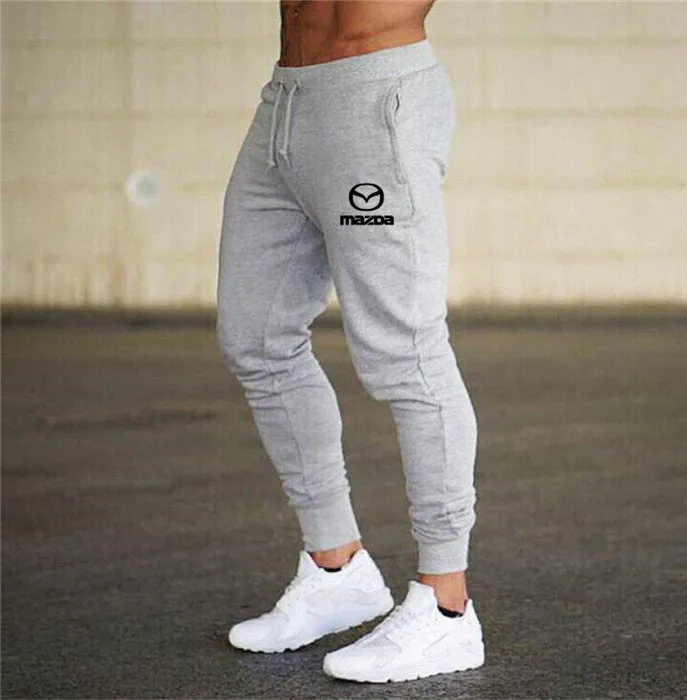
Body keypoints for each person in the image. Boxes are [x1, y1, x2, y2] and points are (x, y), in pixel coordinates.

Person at [217, 0, 484, 683]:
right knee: (256, 338)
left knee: (405, 355)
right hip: (284, 105)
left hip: (375, 98)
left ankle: (447, 606)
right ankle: (336, 569)